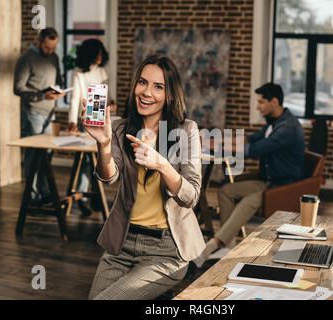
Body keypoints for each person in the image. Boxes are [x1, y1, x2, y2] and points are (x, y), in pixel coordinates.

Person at [85, 54, 205, 300]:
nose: (146, 92)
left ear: (170, 94)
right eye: (142, 82)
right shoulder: (119, 128)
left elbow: (191, 196)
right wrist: (104, 144)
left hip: (166, 251)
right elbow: (108, 178)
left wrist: (161, 163)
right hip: (121, 244)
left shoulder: (186, 130)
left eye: (158, 86)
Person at [194, 82, 305, 267]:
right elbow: (250, 138)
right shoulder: (275, 123)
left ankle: (211, 246)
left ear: (274, 101)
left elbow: (253, 149)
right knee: (226, 191)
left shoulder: (288, 128)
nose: (257, 106)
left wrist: (215, 146)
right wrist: (214, 139)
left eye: (261, 102)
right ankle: (228, 246)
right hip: (269, 181)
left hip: (284, 187)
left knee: (250, 200)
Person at [14, 27, 66, 205]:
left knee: (46, 155)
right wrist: (42, 95)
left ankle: (44, 192)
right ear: (39, 42)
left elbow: (58, 79)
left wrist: (59, 90)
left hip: (50, 112)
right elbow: (18, 88)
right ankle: (32, 195)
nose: (50, 51)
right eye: (47, 47)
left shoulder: (54, 57)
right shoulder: (26, 59)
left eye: (54, 47)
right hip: (34, 112)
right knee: (34, 154)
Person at [67, 39, 115, 216]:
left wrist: (112, 103)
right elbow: (74, 100)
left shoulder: (102, 72)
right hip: (86, 122)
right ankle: (82, 197)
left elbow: (108, 95)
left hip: (101, 122)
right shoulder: (79, 75)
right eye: (97, 54)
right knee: (85, 162)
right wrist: (72, 122)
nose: (100, 57)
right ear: (90, 55)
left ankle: (96, 196)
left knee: (100, 160)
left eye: (102, 54)